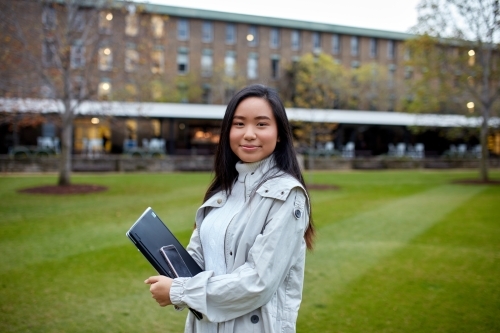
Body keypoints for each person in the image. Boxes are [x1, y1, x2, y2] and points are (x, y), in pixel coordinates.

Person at [144, 84, 314, 333]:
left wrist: (179, 291)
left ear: (279, 134)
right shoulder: (222, 191)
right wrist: (170, 266)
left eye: (261, 124)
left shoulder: (287, 195)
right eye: (239, 124)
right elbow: (198, 260)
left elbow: (258, 282)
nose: (249, 134)